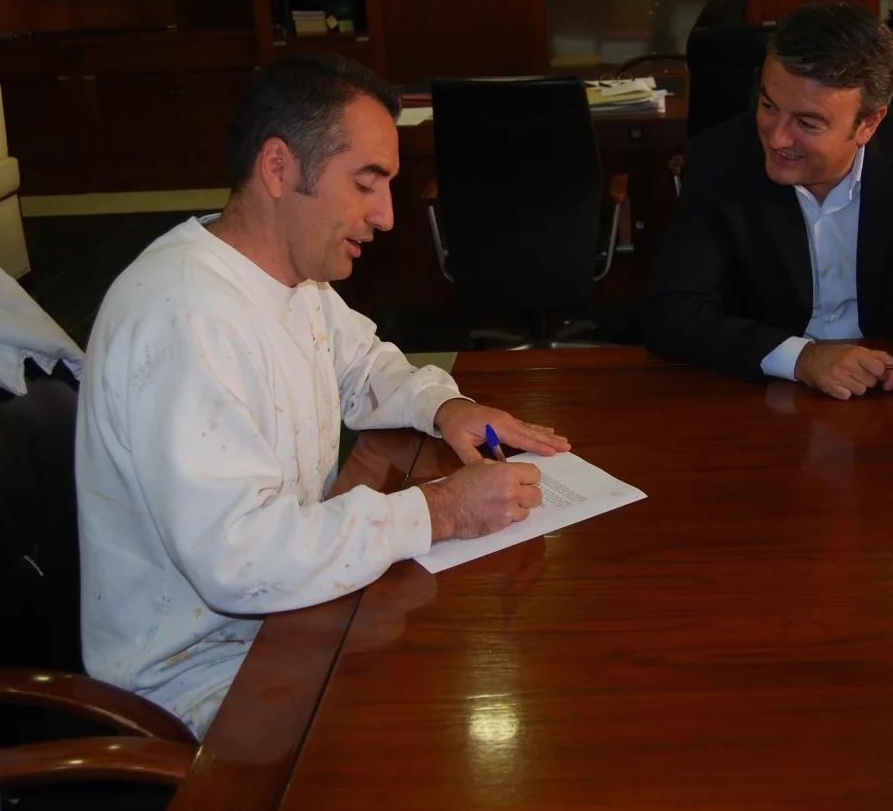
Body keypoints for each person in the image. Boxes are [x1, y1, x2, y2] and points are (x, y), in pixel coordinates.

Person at [76, 54, 571, 737]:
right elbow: (242, 559)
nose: (388, 215)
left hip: (287, 619)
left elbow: (363, 366)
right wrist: (441, 509)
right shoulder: (185, 317)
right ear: (278, 169)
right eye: (366, 183)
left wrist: (447, 407)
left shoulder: (290, 276)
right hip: (206, 676)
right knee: (442, 720)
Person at [643, 2, 893, 400]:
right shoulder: (719, 159)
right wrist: (802, 359)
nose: (776, 138)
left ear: (868, 124)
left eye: (807, 123)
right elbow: (672, 311)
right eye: (768, 106)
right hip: (769, 393)